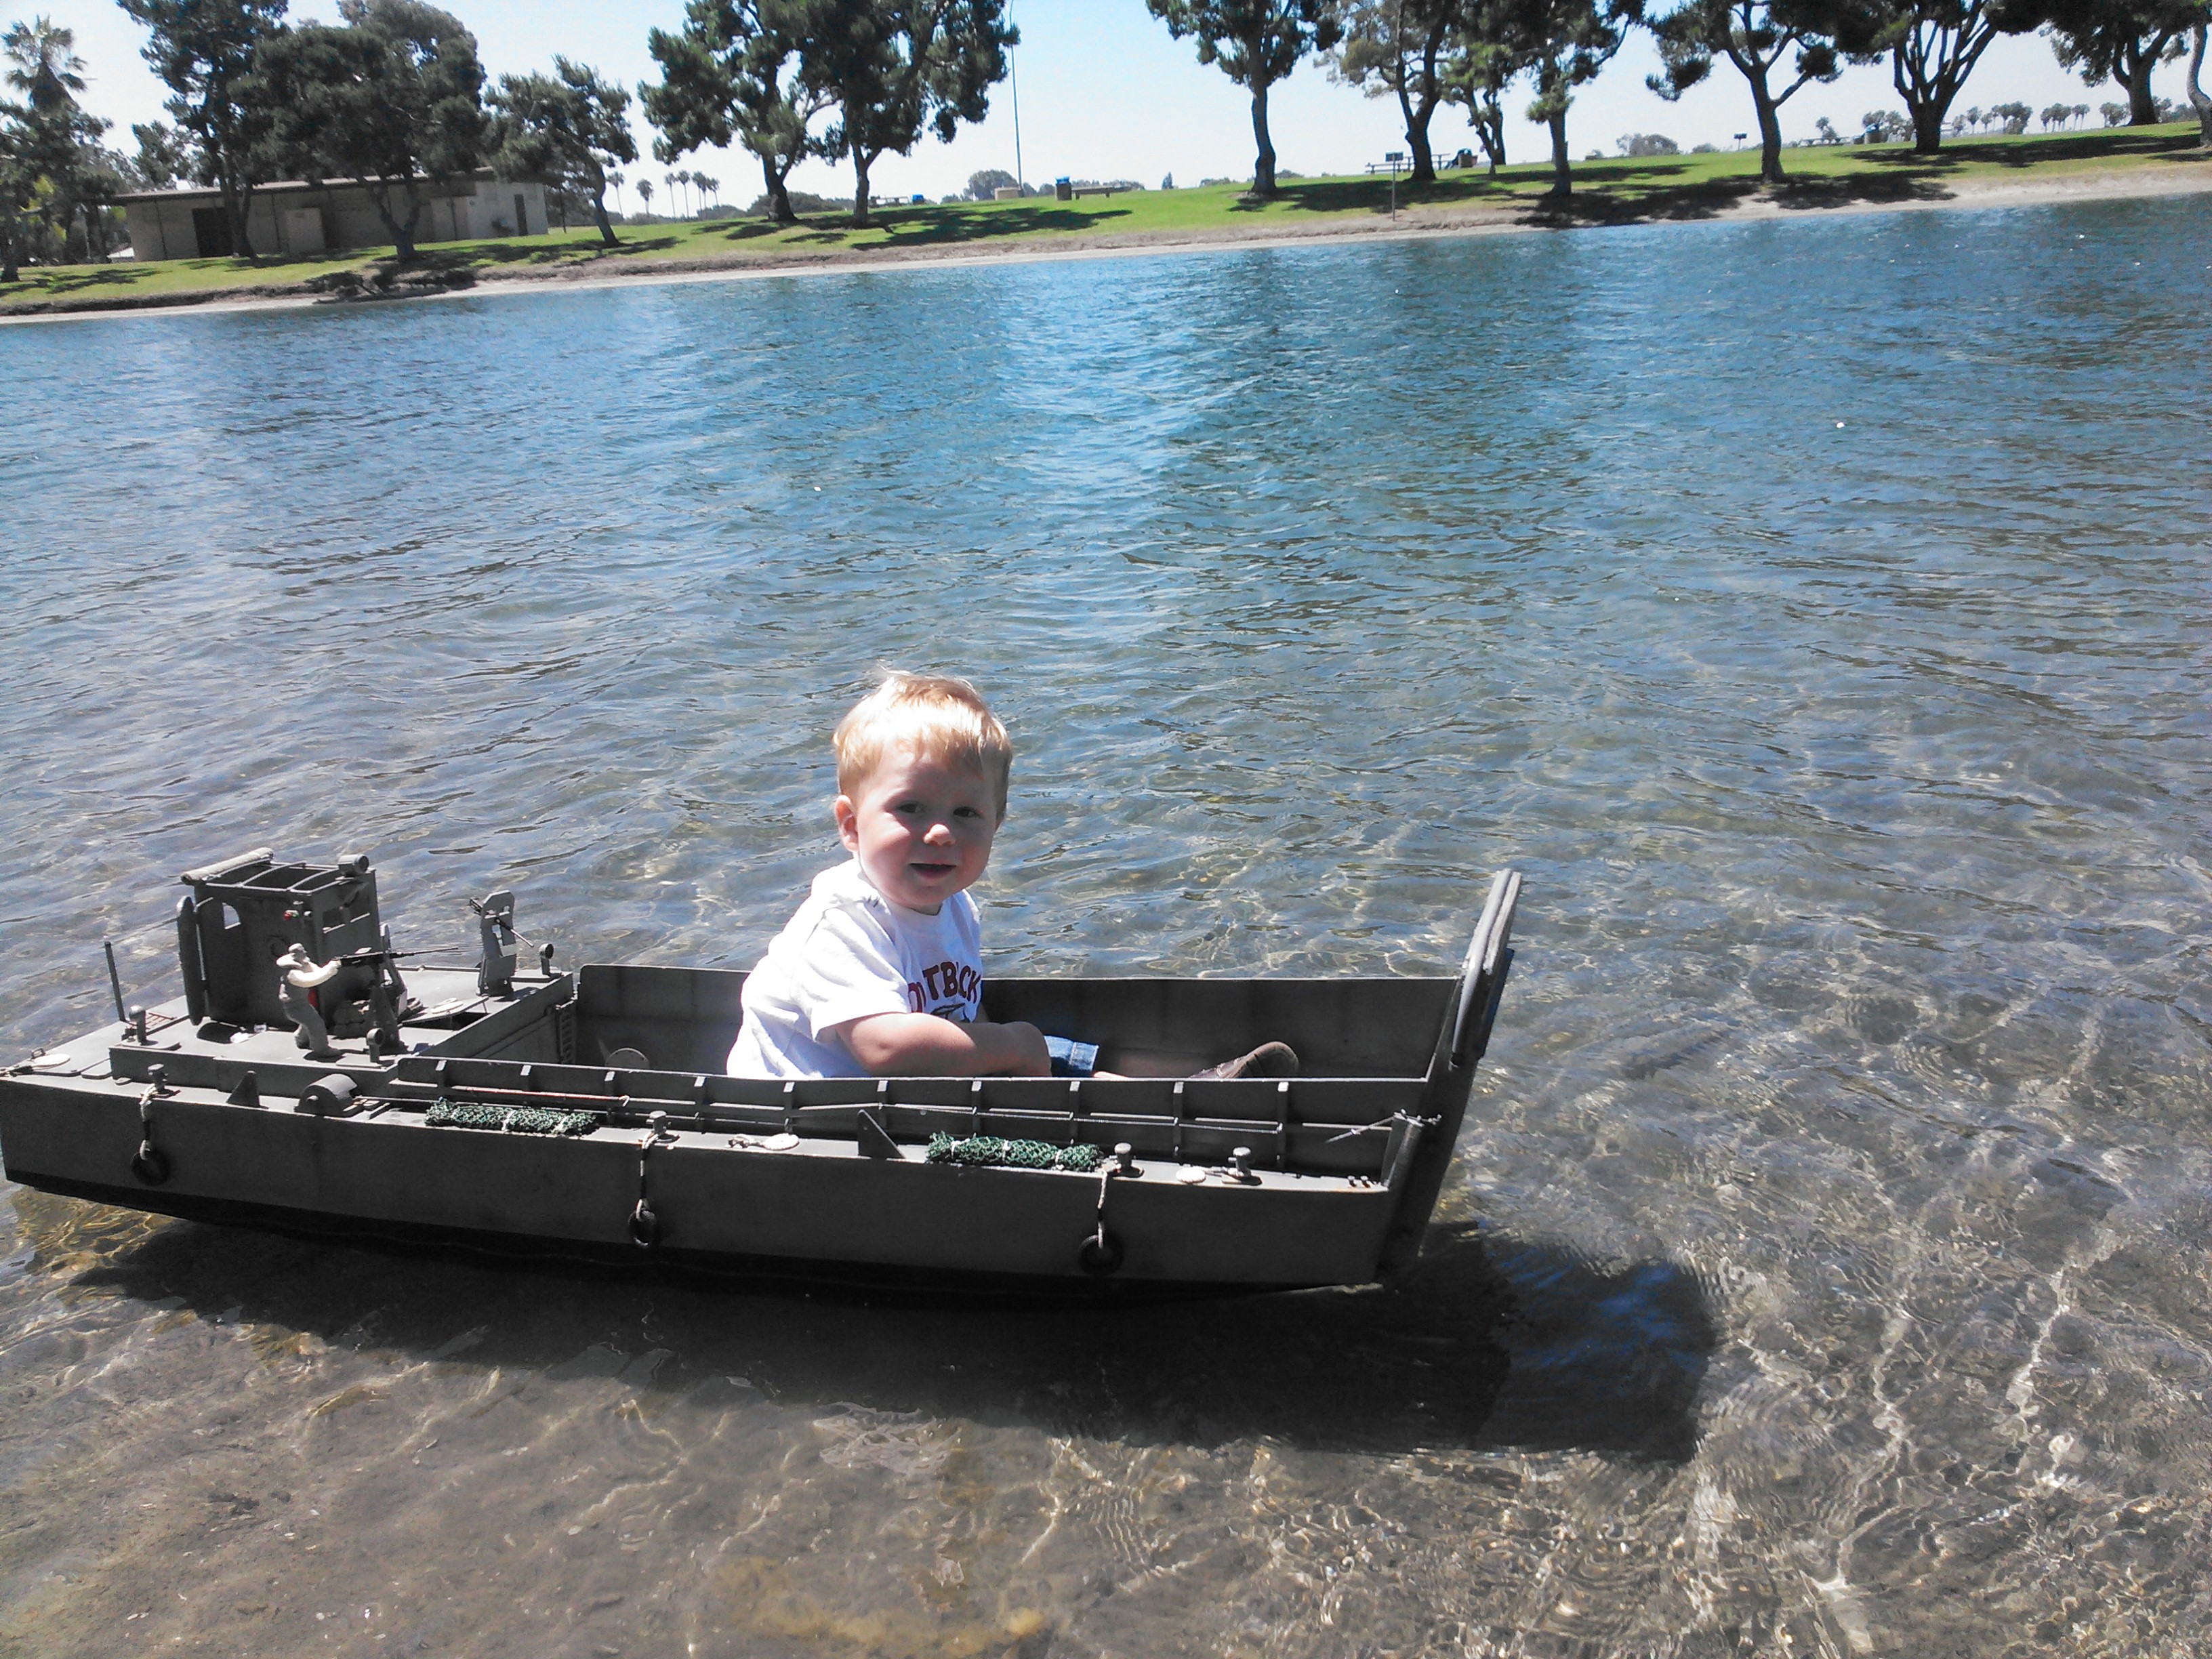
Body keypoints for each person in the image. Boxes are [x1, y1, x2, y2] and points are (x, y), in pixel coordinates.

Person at [726, 672, 1298, 1082]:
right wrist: (1011, 1045)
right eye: (911, 808)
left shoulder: (957, 907)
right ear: (852, 826)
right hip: (805, 1115)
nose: (941, 833)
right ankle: (1157, 1105)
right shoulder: (842, 918)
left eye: (966, 813)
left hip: (900, 1094)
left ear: (997, 823)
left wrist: (1008, 1052)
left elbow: (961, 1016)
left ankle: (1161, 1097)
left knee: (1039, 1049)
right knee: (1027, 1044)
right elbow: (883, 1047)